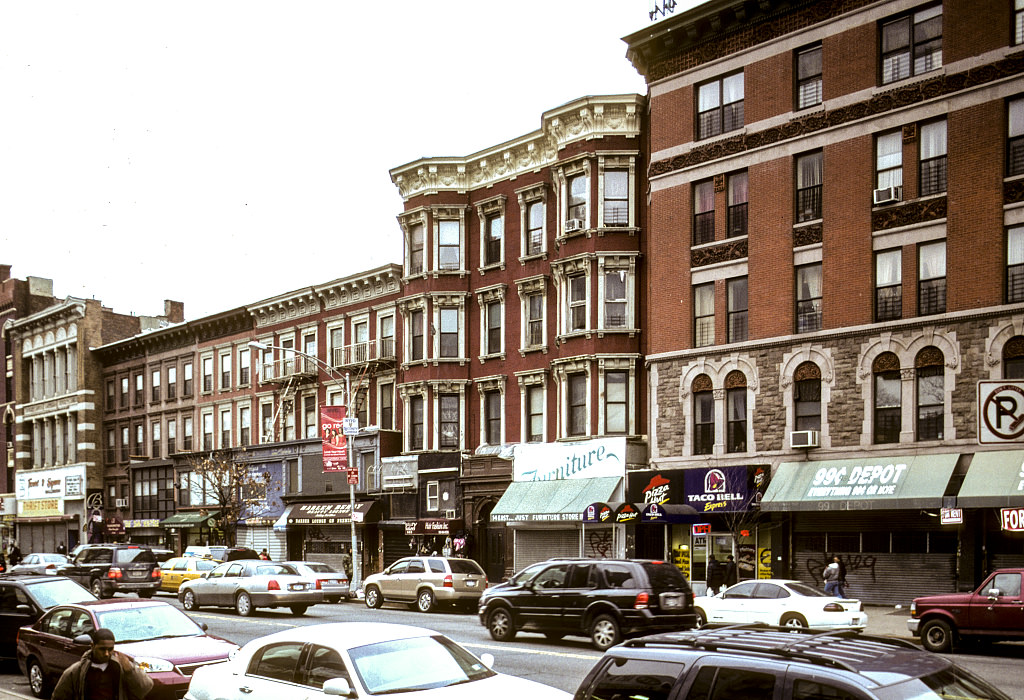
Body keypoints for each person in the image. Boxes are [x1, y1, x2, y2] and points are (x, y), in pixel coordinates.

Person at [52, 628, 153, 700]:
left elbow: (145, 688)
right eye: (102, 649)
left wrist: (131, 671)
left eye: (110, 649)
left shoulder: (121, 668)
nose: (106, 654)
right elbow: (58, 696)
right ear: (92, 646)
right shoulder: (76, 671)